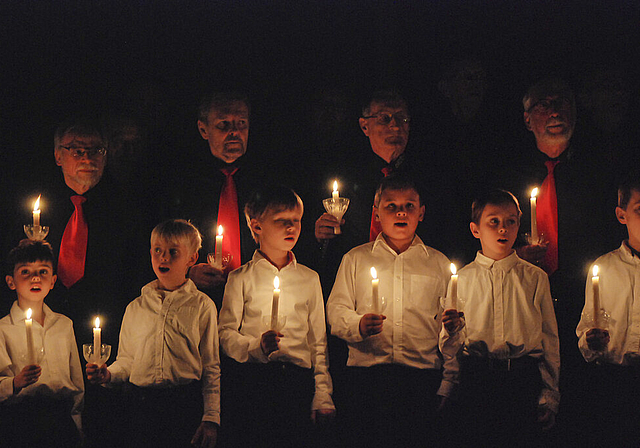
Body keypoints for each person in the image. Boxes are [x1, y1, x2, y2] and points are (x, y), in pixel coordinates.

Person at [326, 175, 460, 448]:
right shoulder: (355, 259)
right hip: (367, 381)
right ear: (376, 214)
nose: (401, 212)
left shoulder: (438, 264)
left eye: (409, 206)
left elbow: (452, 330)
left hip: (421, 380)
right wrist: (358, 325)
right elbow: (335, 311)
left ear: (421, 213)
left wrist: (449, 381)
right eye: (391, 206)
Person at [218, 186, 335, 448]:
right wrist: (255, 347)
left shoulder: (309, 278)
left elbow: (318, 342)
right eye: (282, 221)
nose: (291, 228)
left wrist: (323, 394)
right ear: (257, 226)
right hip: (252, 385)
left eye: (296, 220)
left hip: (297, 385)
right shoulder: (240, 279)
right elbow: (224, 334)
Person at [86, 219, 220, 448]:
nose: (164, 258)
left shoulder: (202, 306)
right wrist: (107, 375)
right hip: (142, 407)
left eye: (173, 252)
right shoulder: (135, 307)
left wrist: (211, 417)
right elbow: (127, 361)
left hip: (184, 406)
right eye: (158, 250)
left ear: (192, 258)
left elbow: (211, 366)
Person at [444, 189, 559, 447]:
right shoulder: (461, 279)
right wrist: (449, 382)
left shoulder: (534, 277)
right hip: (478, 381)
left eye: (510, 222)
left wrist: (550, 393)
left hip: (522, 381)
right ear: (476, 230)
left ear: (519, 225)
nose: (503, 229)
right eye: (493, 222)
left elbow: (549, 339)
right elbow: (451, 342)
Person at [173, 91, 263, 310]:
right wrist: (186, 272)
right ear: (204, 129)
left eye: (241, 123)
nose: (234, 132)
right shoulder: (181, 182)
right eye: (224, 125)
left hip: (257, 297)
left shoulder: (265, 180)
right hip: (195, 302)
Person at [574, 172, 640, 446]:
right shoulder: (606, 268)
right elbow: (586, 331)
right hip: (616, 386)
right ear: (621, 214)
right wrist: (591, 341)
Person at [0, 240, 84, 447]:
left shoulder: (64, 325)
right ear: (11, 282)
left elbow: (76, 383)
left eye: (43, 271)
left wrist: (78, 427)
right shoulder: (3, 329)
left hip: (60, 421)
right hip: (21, 422)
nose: (35, 277)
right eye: (26, 272)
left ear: (53, 280)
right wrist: (15, 382)